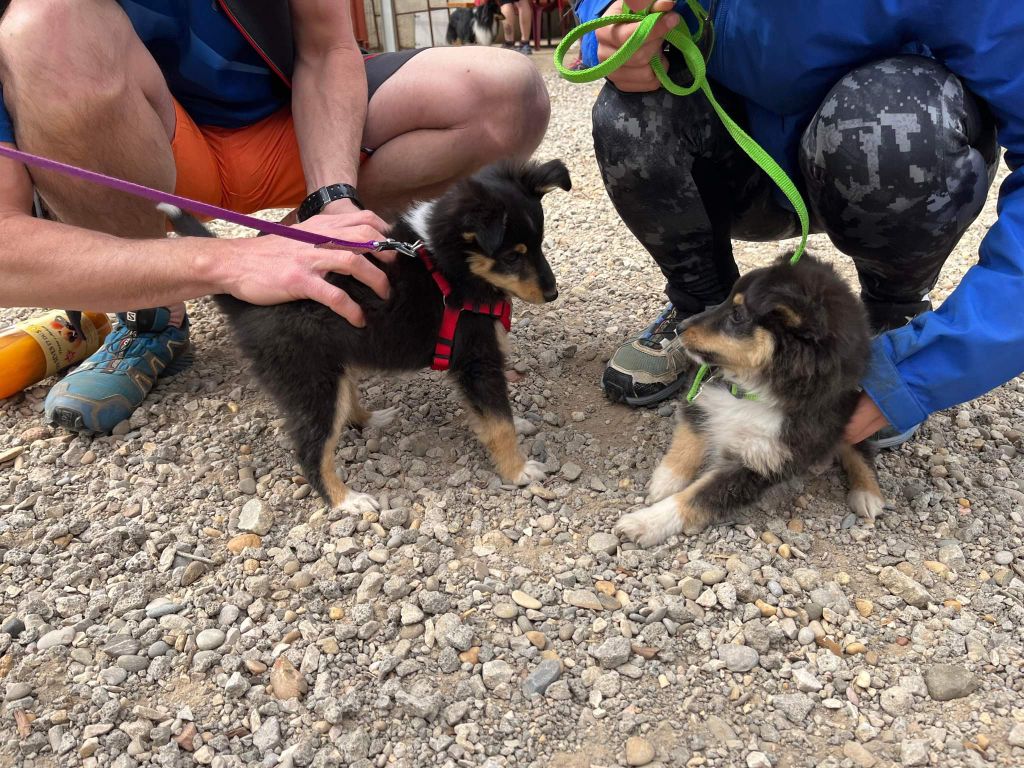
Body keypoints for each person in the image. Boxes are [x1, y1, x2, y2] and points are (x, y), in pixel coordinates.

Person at [0, 0, 549, 433]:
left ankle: (338, 267)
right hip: (145, 148)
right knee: (50, 24)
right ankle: (149, 315)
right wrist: (225, 261)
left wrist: (334, 198)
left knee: (504, 94)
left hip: (287, 122)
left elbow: (328, 47)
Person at [577, 0, 1022, 448]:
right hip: (737, 156)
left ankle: (894, 314)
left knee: (899, 121)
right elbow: (598, 7)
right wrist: (609, 32)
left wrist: (923, 373)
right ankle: (704, 309)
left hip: (882, 163)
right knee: (627, 114)